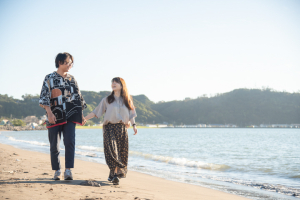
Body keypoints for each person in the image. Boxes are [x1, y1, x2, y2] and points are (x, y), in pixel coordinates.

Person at [39, 52, 87, 180]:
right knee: (54, 145)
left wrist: (81, 114)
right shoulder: (49, 78)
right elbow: (44, 98)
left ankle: (68, 170)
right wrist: (49, 113)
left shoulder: (72, 79)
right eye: (67, 63)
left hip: (71, 115)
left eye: (71, 63)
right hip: (54, 116)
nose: (70, 65)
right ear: (60, 63)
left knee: (70, 142)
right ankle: (57, 171)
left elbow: (78, 98)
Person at [84, 77, 138, 185]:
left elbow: (132, 115)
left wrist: (134, 126)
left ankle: (114, 175)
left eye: (116, 82)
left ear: (122, 85)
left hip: (122, 129)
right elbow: (96, 112)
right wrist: (85, 118)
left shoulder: (127, 100)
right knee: (111, 151)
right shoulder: (107, 100)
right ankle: (115, 174)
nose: (113, 84)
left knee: (120, 153)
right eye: (112, 82)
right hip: (109, 128)